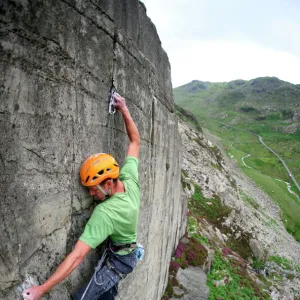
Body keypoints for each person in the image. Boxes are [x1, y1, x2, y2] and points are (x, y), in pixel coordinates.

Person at [22, 93, 141, 300]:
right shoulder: (129, 179)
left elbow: (77, 256)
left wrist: (42, 289)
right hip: (126, 252)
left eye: (93, 187)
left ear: (109, 183)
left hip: (120, 261)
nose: (90, 193)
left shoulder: (106, 212)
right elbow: (135, 142)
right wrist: (123, 108)